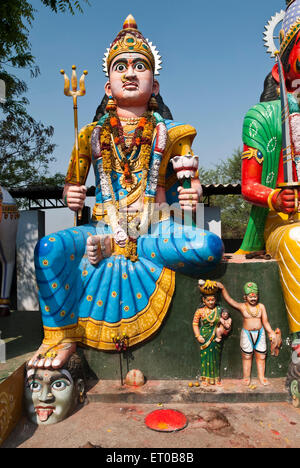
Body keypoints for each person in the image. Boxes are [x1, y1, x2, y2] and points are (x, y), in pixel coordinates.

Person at [28, 15, 224, 370]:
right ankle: (60, 336)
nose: (130, 73)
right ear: (107, 86)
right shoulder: (90, 135)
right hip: (102, 227)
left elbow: (190, 182)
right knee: (48, 249)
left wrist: (190, 193)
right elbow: (72, 186)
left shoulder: (175, 133)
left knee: (209, 247)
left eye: (139, 66)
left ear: (156, 84)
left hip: (154, 229)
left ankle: (128, 252)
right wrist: (72, 195)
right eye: (121, 67)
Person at [238, 0, 300, 355]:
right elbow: (249, 186)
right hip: (281, 220)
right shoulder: (261, 117)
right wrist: (276, 198)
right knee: (297, 238)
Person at [217, 281, 277, 386]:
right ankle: (246, 377)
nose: (253, 299)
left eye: (255, 296)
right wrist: (223, 288)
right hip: (247, 334)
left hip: (260, 333)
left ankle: (261, 377)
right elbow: (230, 300)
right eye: (250, 297)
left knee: (261, 356)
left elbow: (265, 322)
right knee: (247, 356)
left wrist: (271, 331)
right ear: (245, 297)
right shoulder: (242, 306)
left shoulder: (261, 307)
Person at [192, 280, 231, 386]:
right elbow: (195, 324)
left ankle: (215, 378)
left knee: (215, 358)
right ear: (203, 300)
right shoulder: (200, 311)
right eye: (208, 300)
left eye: (213, 300)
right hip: (204, 337)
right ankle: (205, 379)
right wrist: (198, 336)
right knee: (205, 358)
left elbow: (227, 320)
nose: (211, 302)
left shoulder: (219, 310)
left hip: (216, 336)